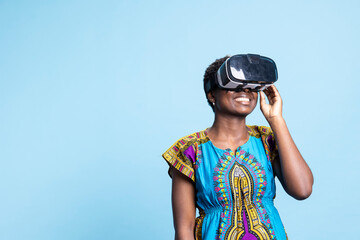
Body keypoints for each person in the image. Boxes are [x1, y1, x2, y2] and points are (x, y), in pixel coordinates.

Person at [162, 55, 313, 240]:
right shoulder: (190, 150)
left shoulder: (266, 140)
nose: (246, 90)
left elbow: (302, 190)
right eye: (234, 85)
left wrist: (276, 120)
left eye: (251, 86)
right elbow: (184, 229)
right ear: (211, 94)